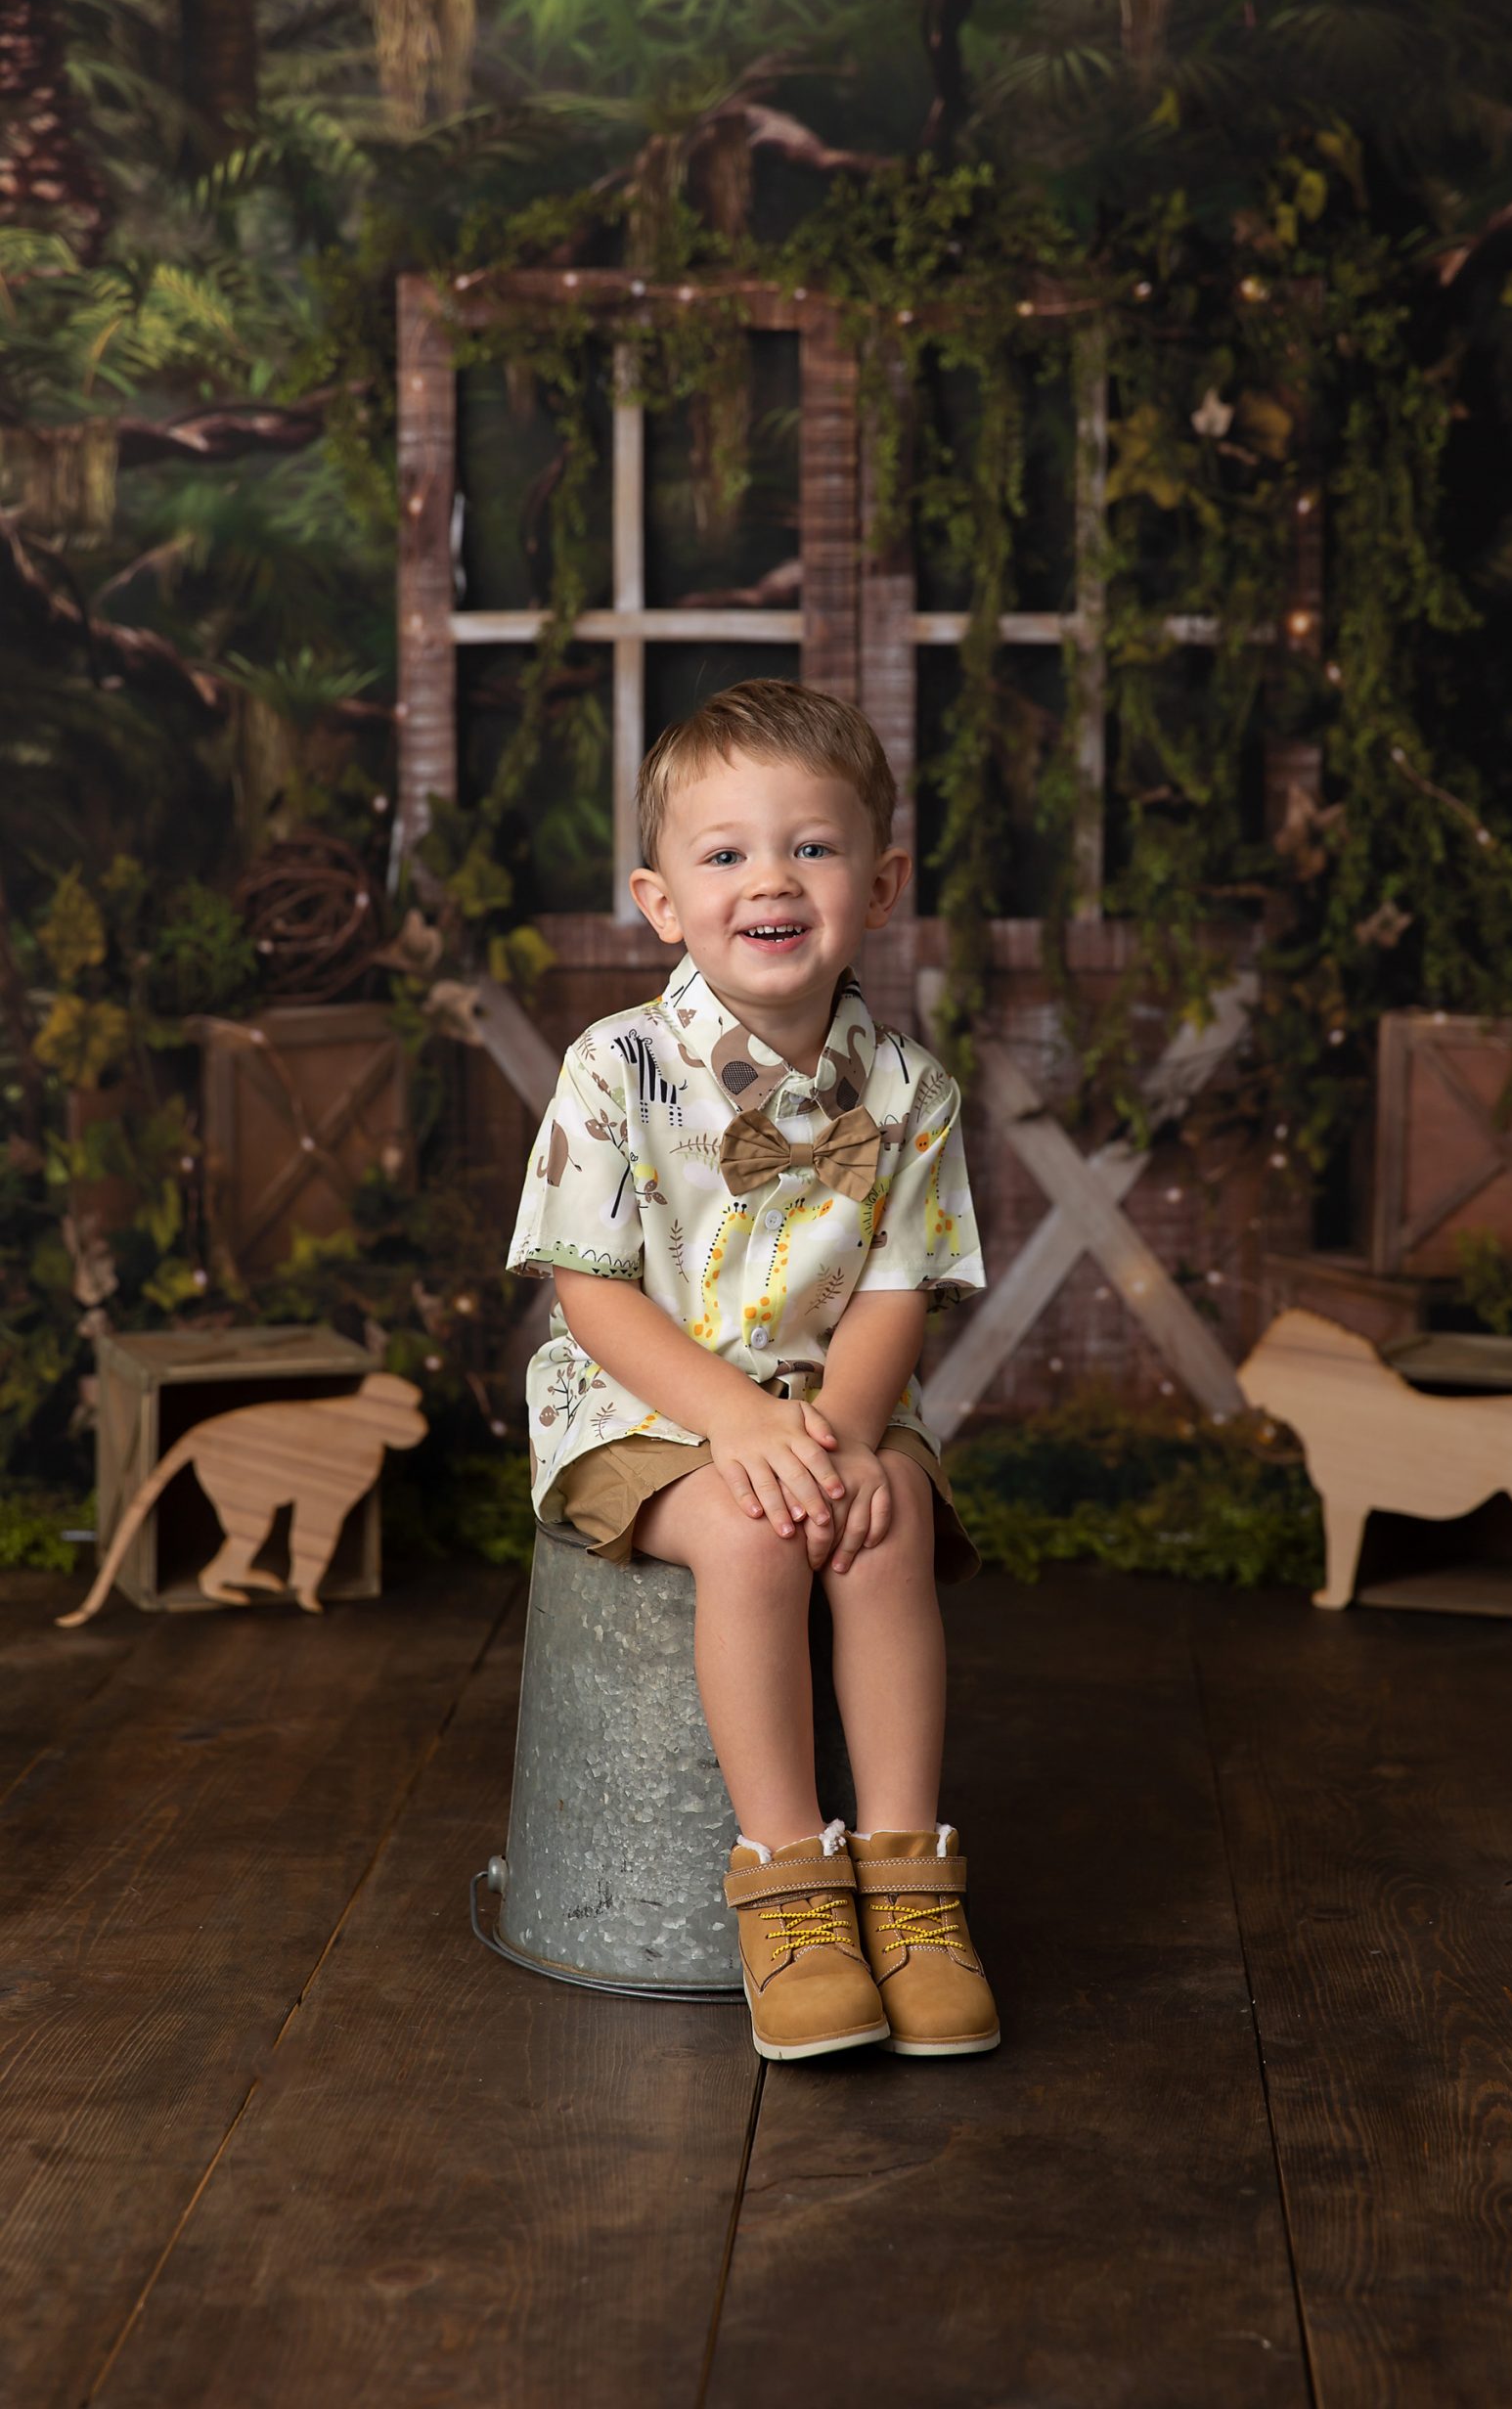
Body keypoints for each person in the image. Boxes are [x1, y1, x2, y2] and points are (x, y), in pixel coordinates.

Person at [505, 678, 1001, 2064]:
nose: (771, 880)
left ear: (880, 884)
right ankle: (790, 1888)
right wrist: (734, 1423)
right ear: (662, 901)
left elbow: (898, 1290)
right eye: (725, 854)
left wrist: (845, 1434)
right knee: (753, 1530)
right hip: (643, 1406)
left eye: (813, 847)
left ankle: (908, 1885)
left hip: (834, 1401)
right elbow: (590, 1290)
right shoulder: (614, 1068)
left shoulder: (911, 1090)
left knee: (883, 1523)